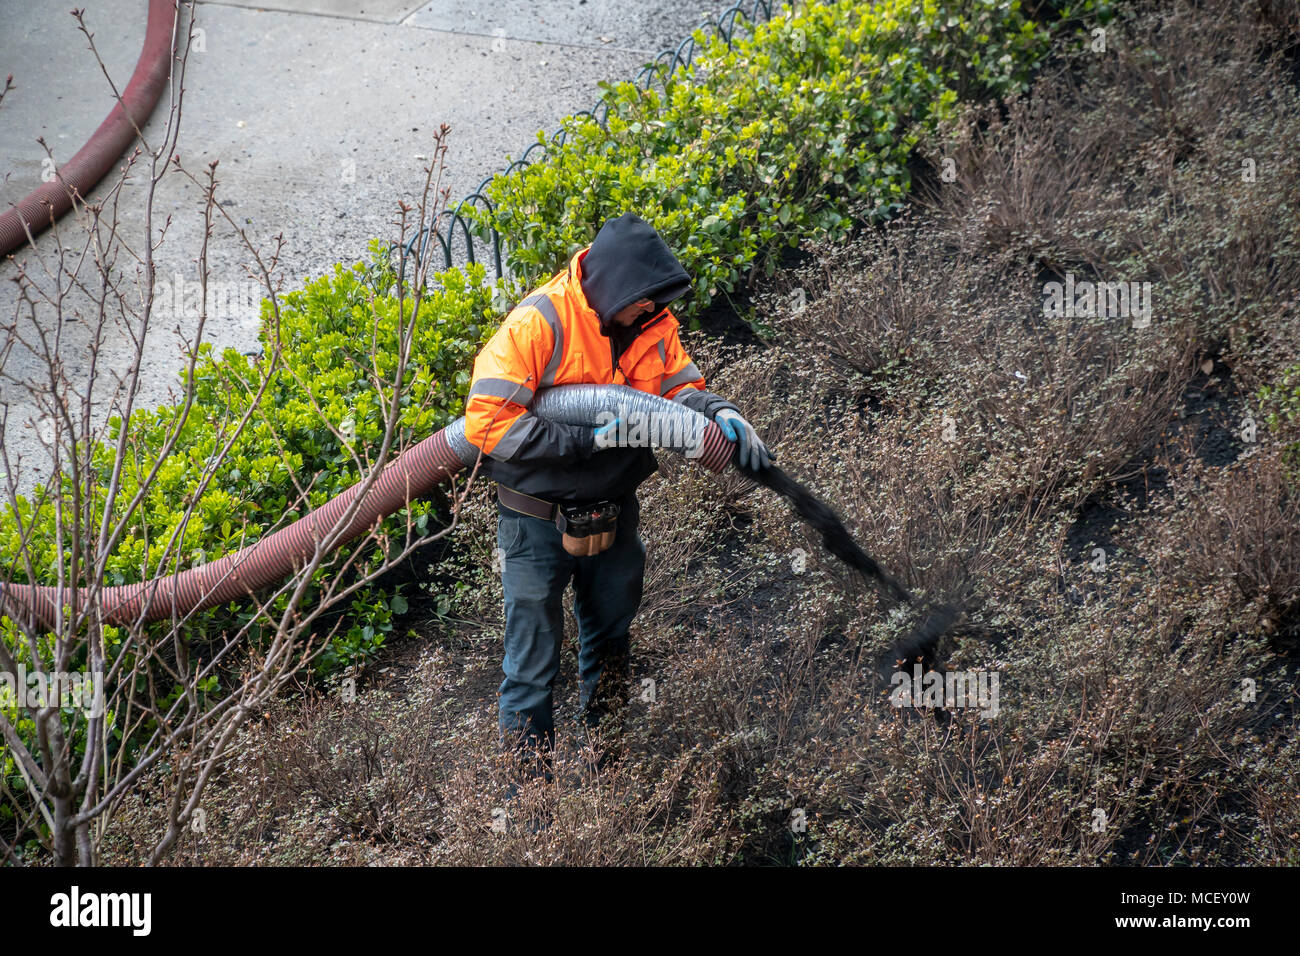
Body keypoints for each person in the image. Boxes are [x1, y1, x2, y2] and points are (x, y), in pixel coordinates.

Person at [463, 212, 772, 774]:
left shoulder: (653, 321)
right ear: (613, 287)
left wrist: (718, 413)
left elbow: (680, 391)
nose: (651, 312)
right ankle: (528, 808)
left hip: (614, 513)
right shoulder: (539, 323)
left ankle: (609, 776)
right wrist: (586, 439)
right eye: (643, 303)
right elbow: (485, 424)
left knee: (610, 644)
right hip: (536, 524)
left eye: (657, 303)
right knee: (532, 667)